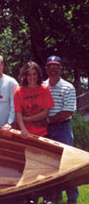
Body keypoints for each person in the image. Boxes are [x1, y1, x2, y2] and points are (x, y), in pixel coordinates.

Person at [43, 55, 78, 204]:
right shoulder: (42, 86)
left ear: (61, 69)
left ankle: (72, 198)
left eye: (56, 66)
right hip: (45, 130)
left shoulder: (68, 87)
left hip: (62, 128)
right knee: (48, 164)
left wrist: (49, 120)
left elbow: (68, 111)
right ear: (46, 69)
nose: (53, 70)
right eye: (50, 67)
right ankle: (52, 197)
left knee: (67, 163)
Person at [14, 61, 54, 138]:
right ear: (25, 76)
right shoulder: (18, 91)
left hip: (42, 133)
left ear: (38, 74)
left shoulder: (44, 89)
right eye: (29, 74)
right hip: (24, 133)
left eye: (34, 74)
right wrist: (23, 129)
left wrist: (28, 119)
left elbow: (45, 112)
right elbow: (18, 113)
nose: (32, 77)